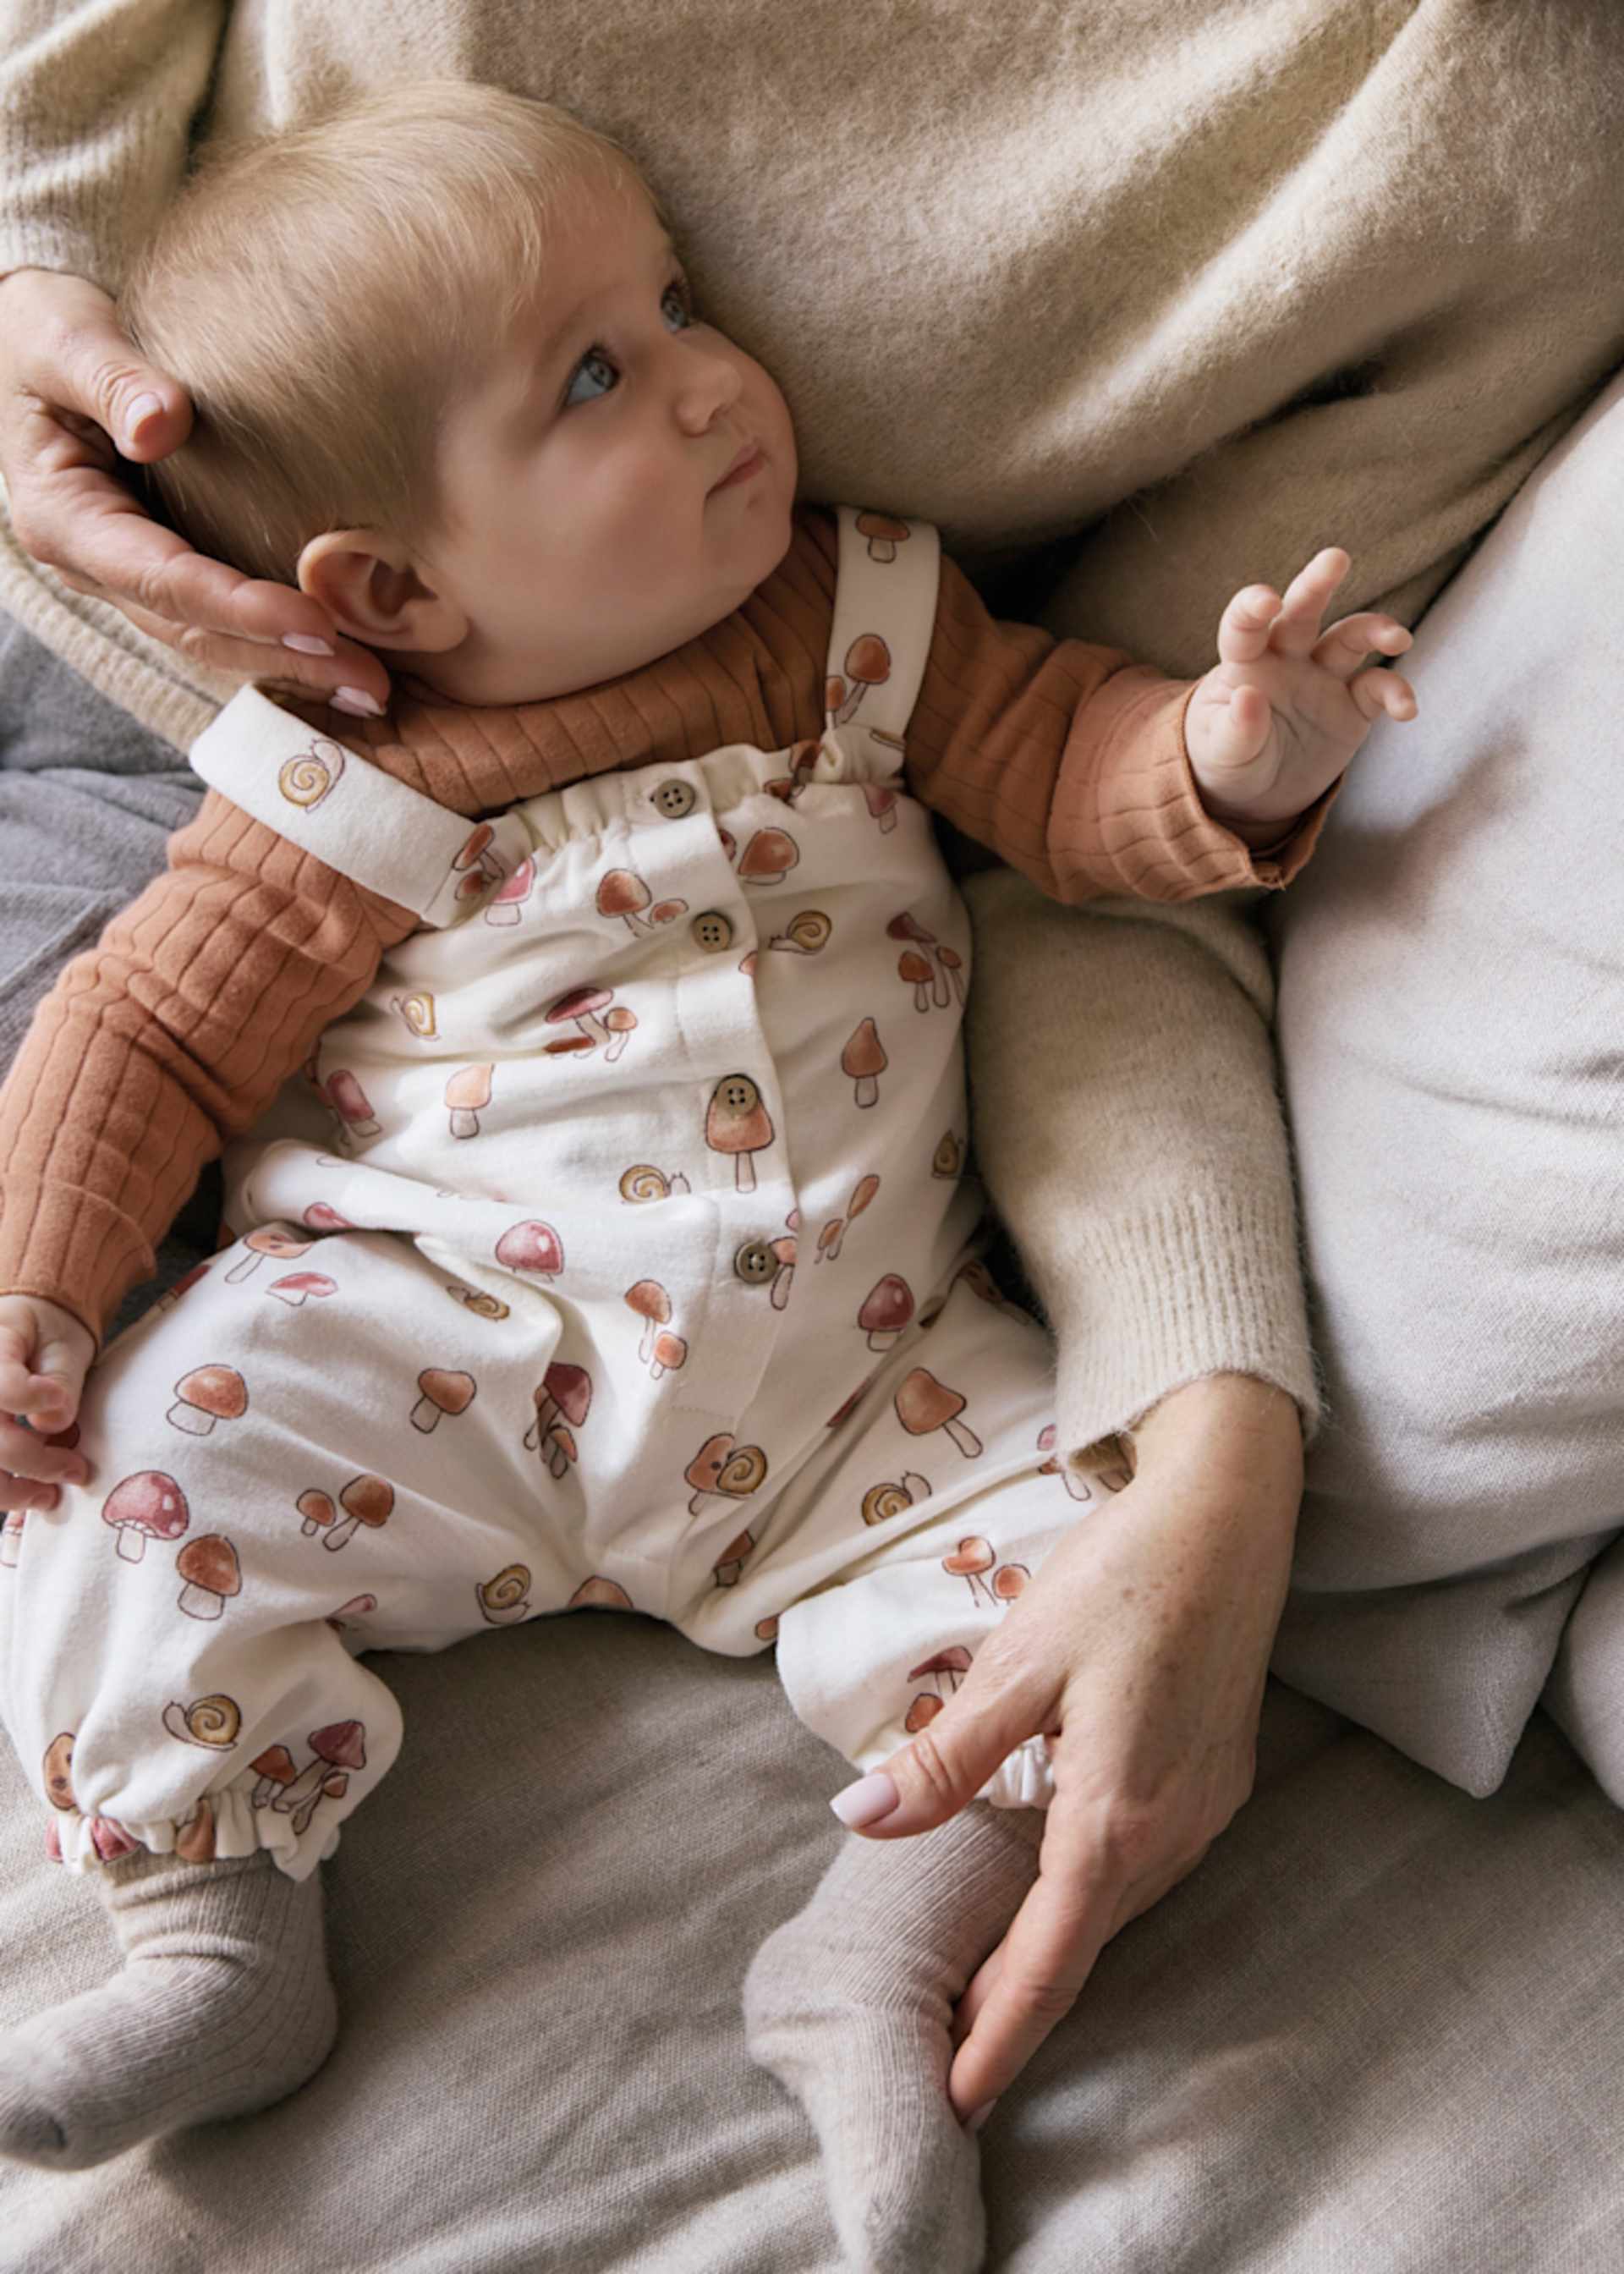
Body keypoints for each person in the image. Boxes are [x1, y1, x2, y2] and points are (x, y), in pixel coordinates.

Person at [0, 82, 1418, 2245]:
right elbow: (152, 1035)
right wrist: (37, 1283)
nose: (711, 378)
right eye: (594, 376)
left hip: (871, 1373)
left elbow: (1064, 771)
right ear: (391, 585)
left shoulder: (864, 622)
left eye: (672, 303)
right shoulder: (337, 786)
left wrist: (1228, 758)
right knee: (143, 1452)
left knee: (1103, 1590)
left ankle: (875, 1959)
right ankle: (214, 1939)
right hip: (448, 1336)